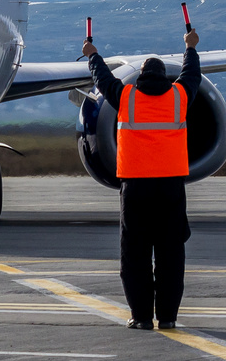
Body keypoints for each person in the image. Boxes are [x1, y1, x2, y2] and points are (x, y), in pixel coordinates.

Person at [82, 28, 201, 330]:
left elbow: (103, 80)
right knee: (171, 255)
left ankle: (141, 316)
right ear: (165, 76)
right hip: (170, 187)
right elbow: (192, 74)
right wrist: (190, 47)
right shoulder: (179, 95)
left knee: (134, 255)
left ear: (140, 77)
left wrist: (92, 55)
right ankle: (169, 317)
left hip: (135, 187)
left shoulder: (125, 96)